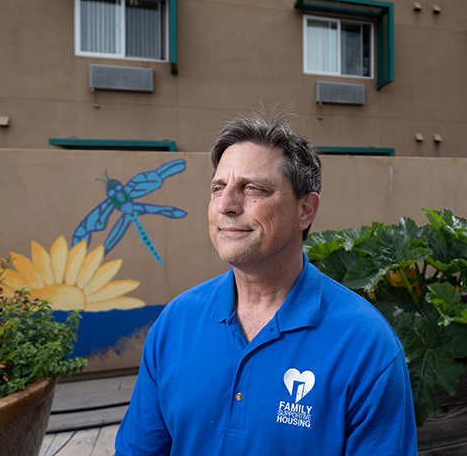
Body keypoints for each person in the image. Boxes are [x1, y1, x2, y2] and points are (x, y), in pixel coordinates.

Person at [115, 109, 418, 456]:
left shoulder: (365, 344)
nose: (226, 205)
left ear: (305, 209)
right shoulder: (176, 323)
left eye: (252, 188)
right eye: (218, 188)